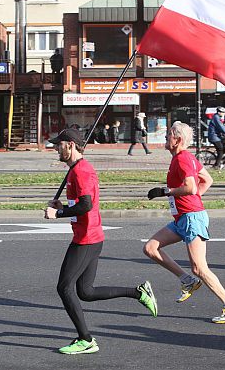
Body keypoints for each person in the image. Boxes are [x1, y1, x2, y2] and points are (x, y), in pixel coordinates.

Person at [44, 128, 157, 355]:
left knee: (64, 288)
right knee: (85, 292)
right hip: (90, 236)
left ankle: (85, 339)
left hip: (87, 239)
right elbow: (81, 205)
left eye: (59, 145)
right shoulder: (75, 169)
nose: (56, 148)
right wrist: (63, 207)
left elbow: (86, 205)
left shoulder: (81, 171)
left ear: (70, 145)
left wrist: (58, 214)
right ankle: (139, 292)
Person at [143, 121, 225, 324]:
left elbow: (190, 187)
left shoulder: (182, 159)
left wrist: (166, 192)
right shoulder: (183, 158)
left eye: (168, 134)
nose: (165, 137)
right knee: (151, 248)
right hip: (183, 217)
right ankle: (187, 281)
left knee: (199, 268)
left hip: (191, 218)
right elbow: (207, 180)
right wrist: (194, 201)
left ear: (177, 139)